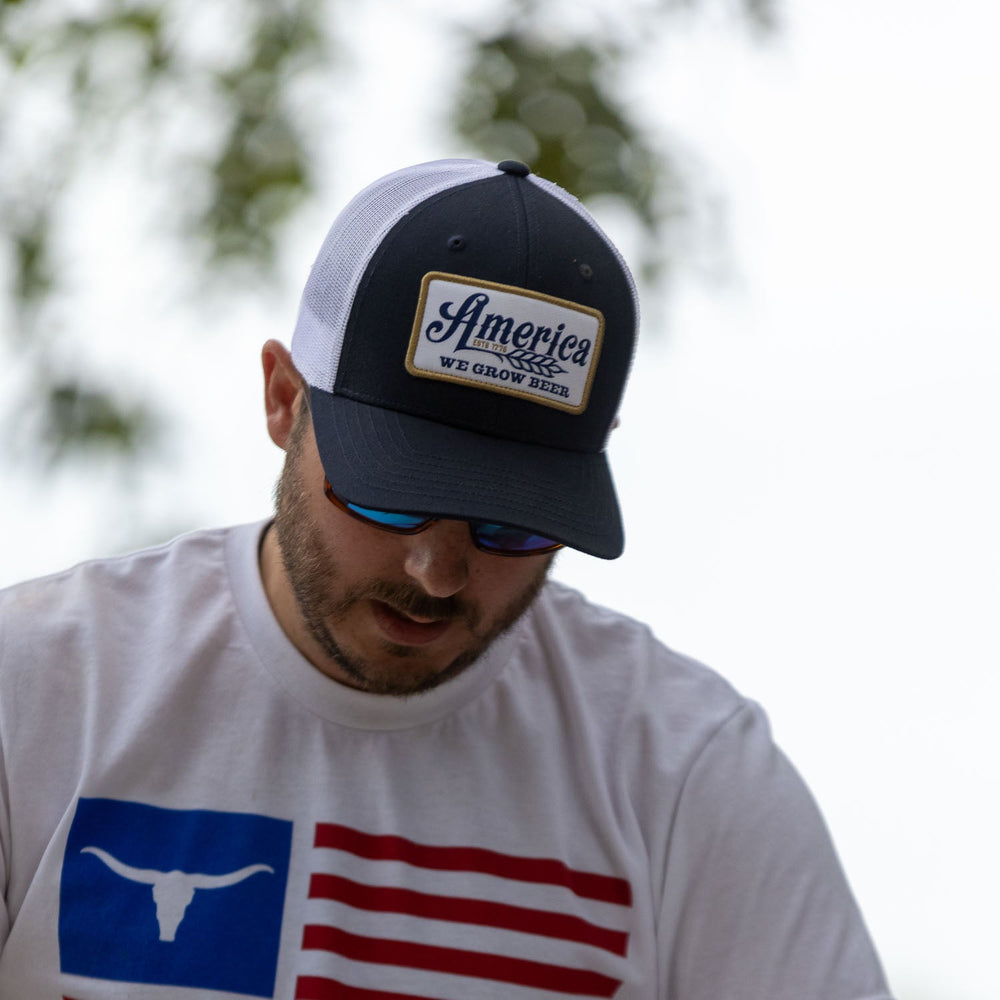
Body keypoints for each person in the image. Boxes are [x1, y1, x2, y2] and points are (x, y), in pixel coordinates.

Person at [0, 159, 894, 999]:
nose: (436, 573)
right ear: (284, 399)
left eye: (512, 525)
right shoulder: (39, 691)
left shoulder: (685, 771)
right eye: (391, 500)